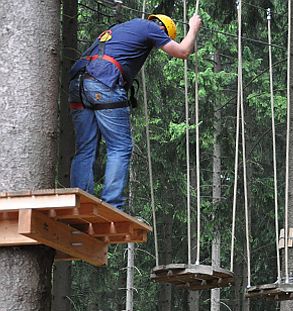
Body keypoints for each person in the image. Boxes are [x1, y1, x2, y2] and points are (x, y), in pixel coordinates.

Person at [68, 14, 202, 209]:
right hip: (104, 81)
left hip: (78, 83)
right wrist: (193, 28)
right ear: (163, 30)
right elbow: (182, 51)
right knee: (120, 147)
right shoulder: (151, 28)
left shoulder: (120, 27)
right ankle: (112, 205)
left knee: (85, 148)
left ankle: (79, 203)